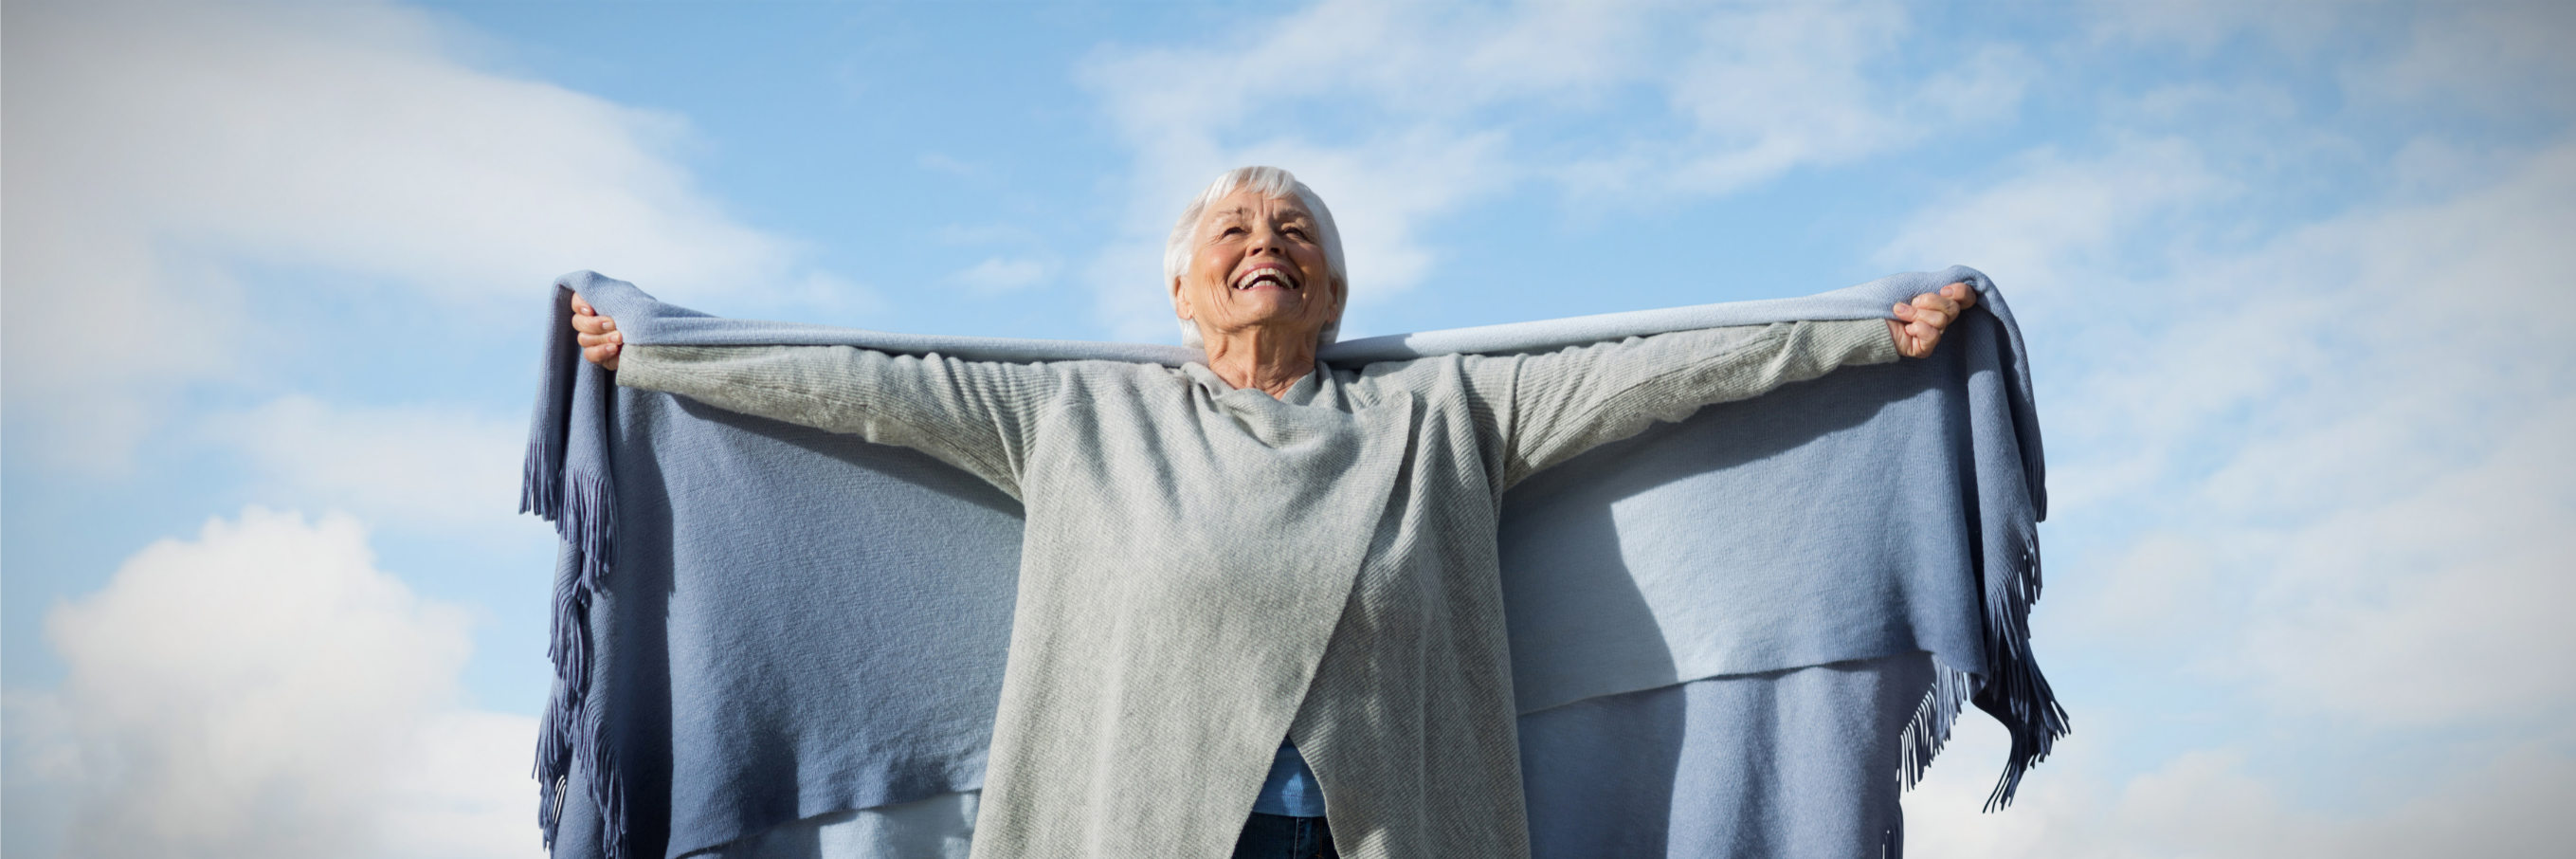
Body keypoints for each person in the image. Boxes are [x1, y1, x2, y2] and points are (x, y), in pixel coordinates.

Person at [571, 166, 1973, 859]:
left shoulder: (1446, 418)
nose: (1267, 243)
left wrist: (1864, 335)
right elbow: (870, 388)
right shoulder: (1078, 419)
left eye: (1296, 233)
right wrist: (671, 355)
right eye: (1235, 232)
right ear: (1180, 293)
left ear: (1334, 293)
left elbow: (1653, 374)